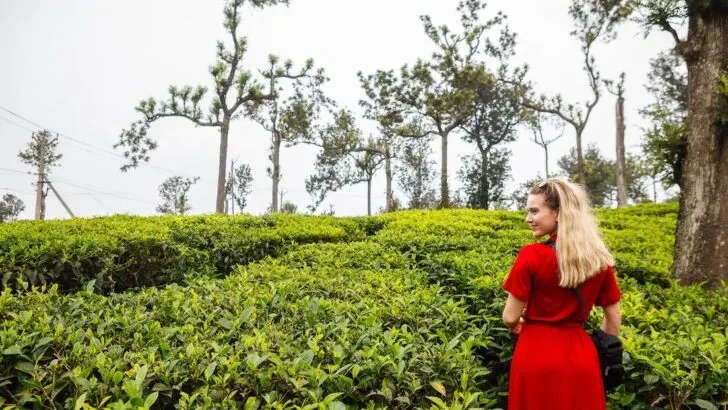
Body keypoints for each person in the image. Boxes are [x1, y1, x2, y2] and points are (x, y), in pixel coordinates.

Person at [501, 177, 622, 410]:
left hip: (535, 354)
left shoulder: (531, 256)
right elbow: (614, 317)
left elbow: (509, 316)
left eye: (534, 211)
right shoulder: (598, 259)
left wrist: (516, 324)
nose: (528, 219)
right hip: (582, 358)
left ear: (557, 213)